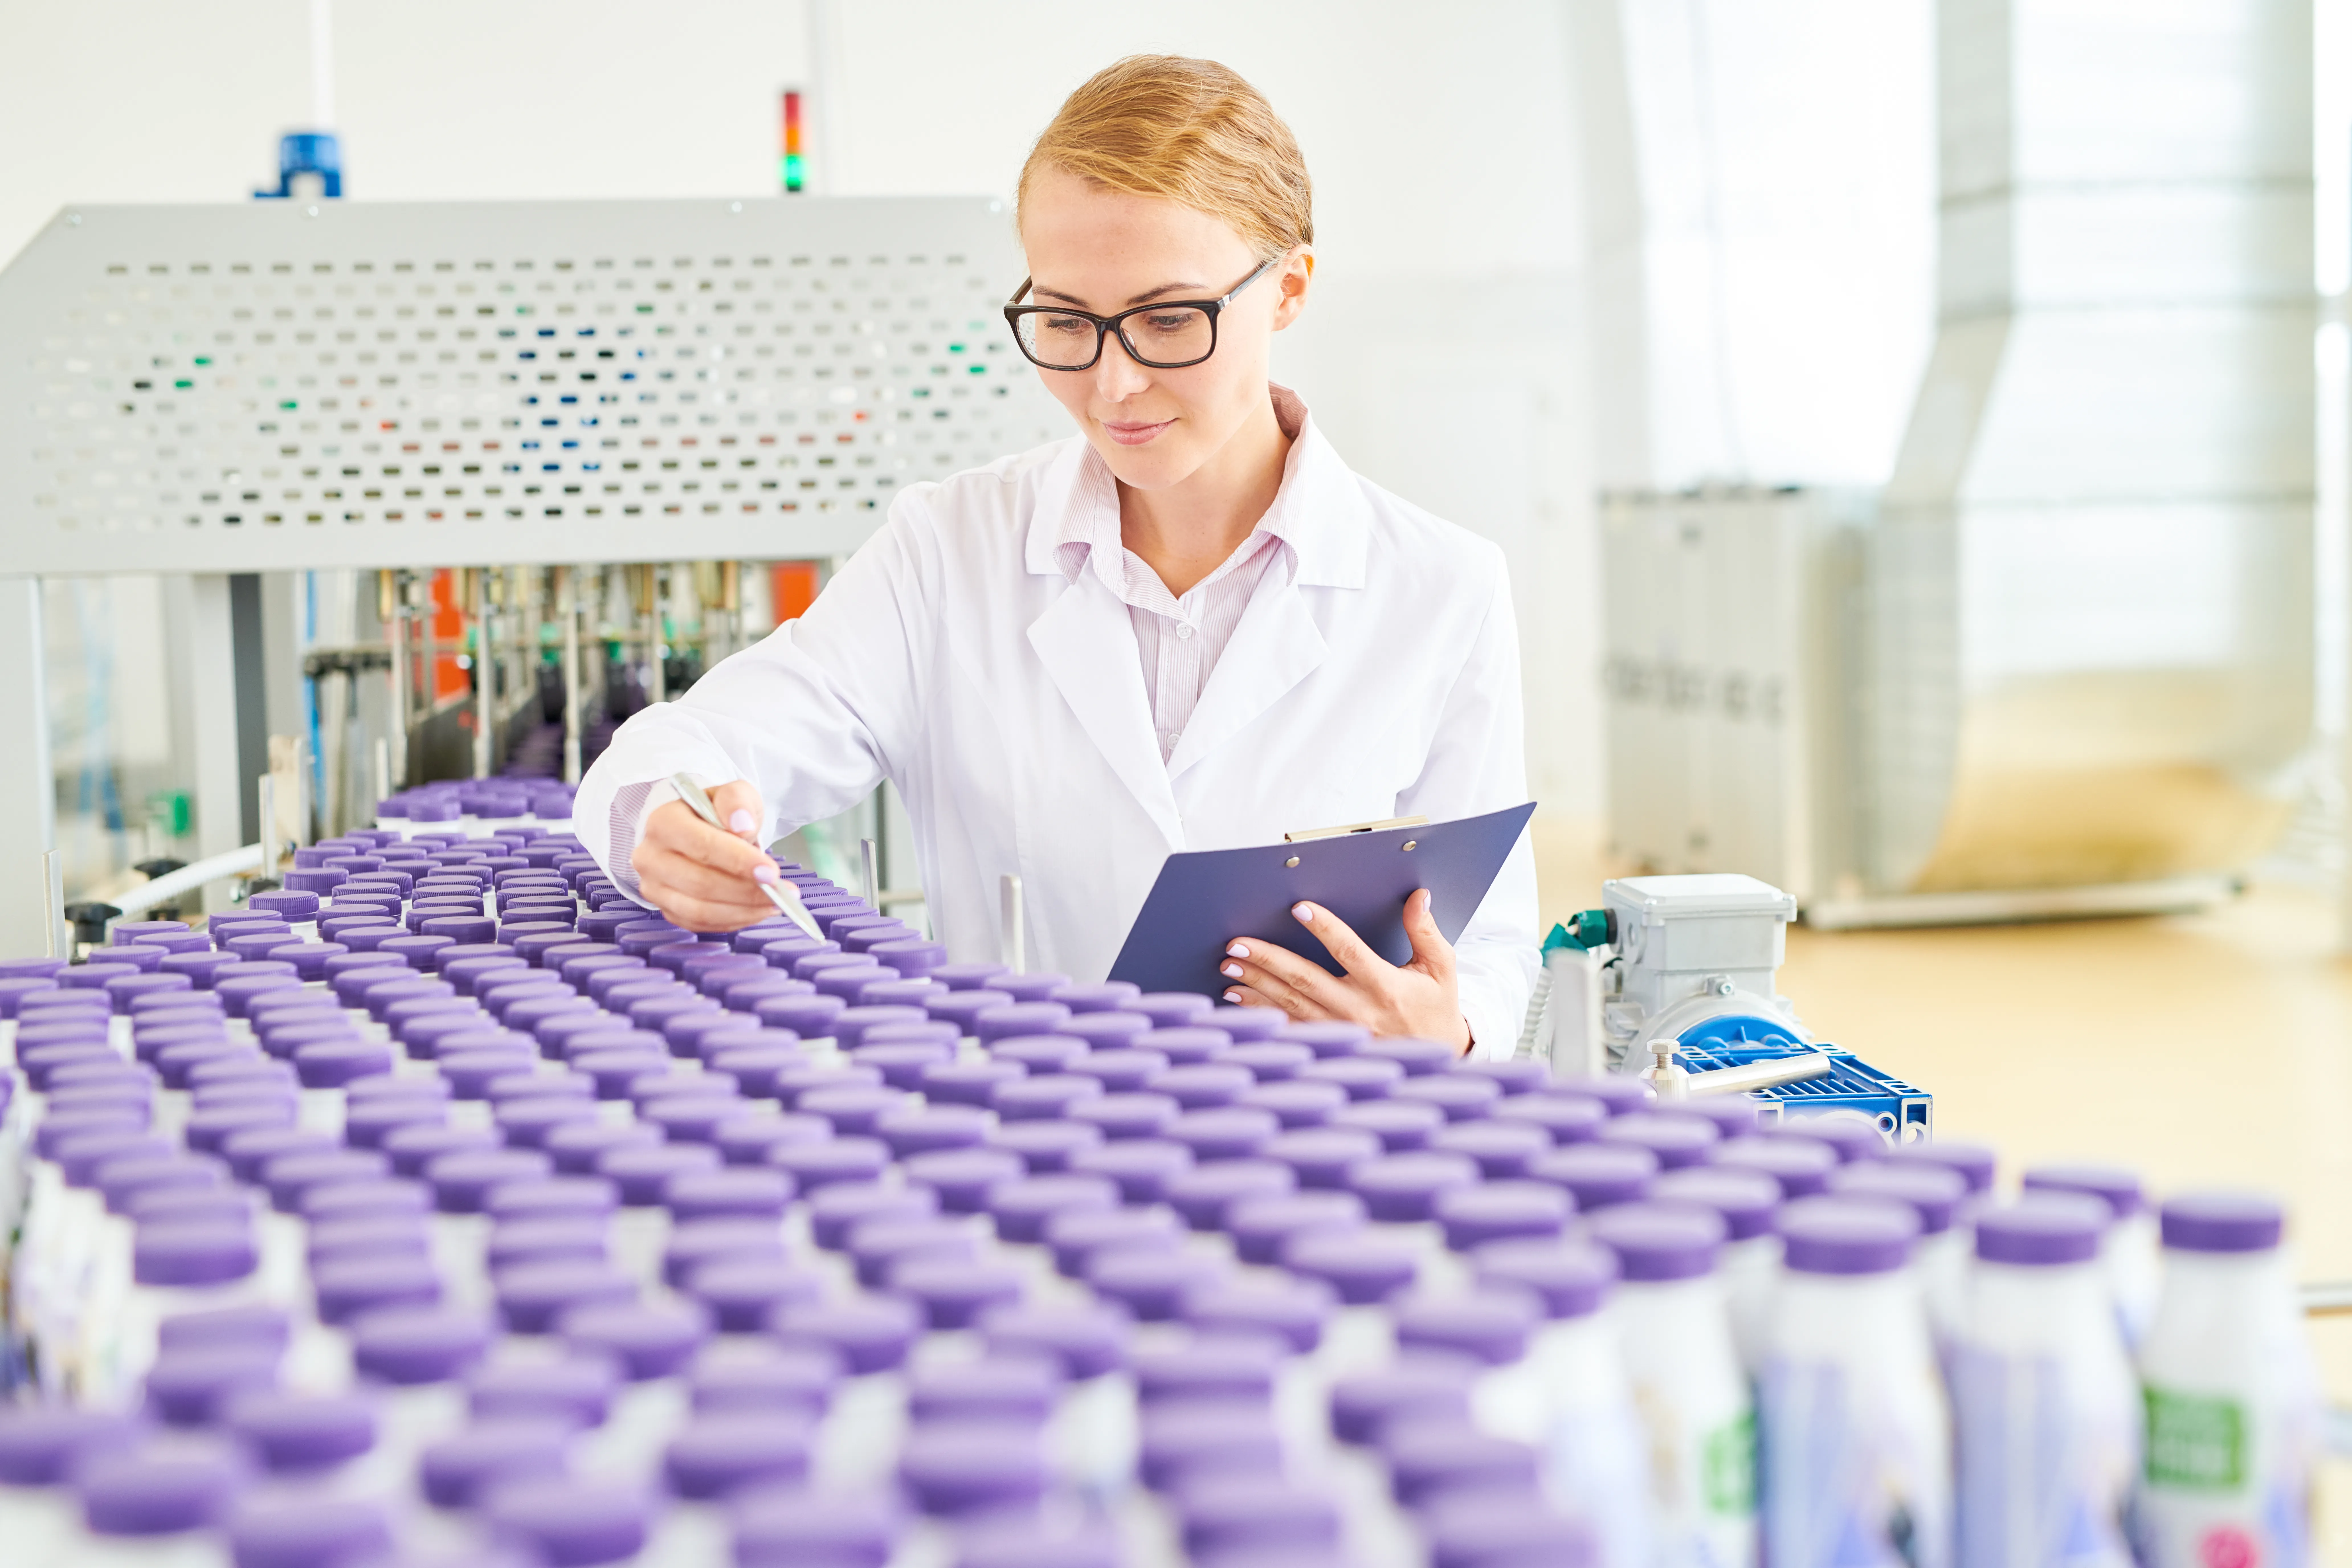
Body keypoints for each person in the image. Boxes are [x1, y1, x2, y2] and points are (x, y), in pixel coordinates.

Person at [575, 54, 1538, 1056]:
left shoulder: (1441, 589)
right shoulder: (949, 550)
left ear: (1288, 288)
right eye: (1067, 321)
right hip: (1018, 1127)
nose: (1113, 384)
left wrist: (1452, 1033)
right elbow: (701, 745)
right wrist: (666, 821)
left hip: (1320, 1130)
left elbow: (1491, 944)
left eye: (1170, 319)